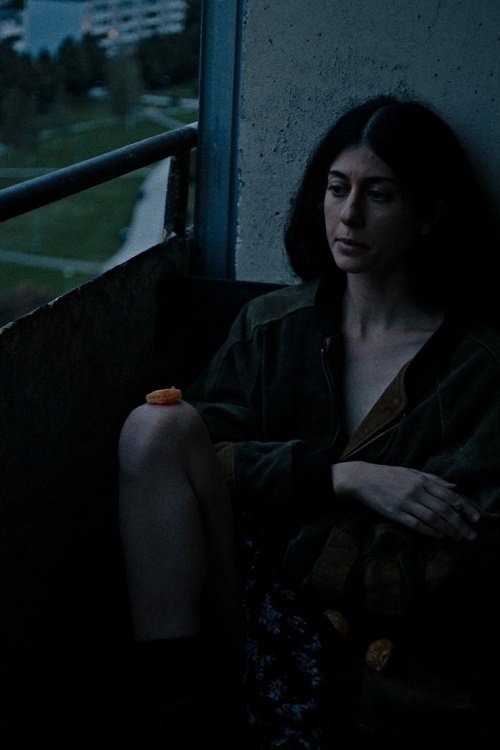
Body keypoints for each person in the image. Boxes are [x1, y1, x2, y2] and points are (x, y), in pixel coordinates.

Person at [117, 94, 500, 748]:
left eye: (379, 194)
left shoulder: (478, 367)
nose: (349, 215)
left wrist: (286, 520)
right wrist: (339, 478)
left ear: (430, 215)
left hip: (387, 657)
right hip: (250, 611)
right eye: (337, 188)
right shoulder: (270, 328)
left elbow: (458, 555)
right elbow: (199, 462)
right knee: (155, 425)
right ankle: (177, 713)